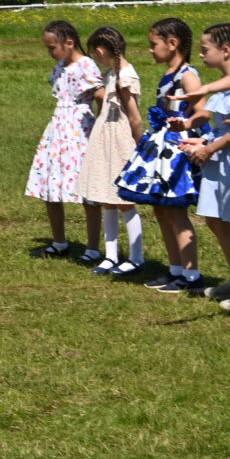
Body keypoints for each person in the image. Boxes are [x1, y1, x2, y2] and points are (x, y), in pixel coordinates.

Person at [116, 17, 205, 295]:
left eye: (153, 45)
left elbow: (201, 109)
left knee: (177, 213)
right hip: (161, 151)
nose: (150, 50)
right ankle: (175, 268)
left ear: (172, 43)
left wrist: (188, 130)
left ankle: (192, 273)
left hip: (176, 152)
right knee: (162, 210)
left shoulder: (187, 74)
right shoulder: (169, 74)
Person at [176, 23, 230, 307]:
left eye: (204, 49)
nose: (200, 54)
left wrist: (209, 147)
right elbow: (219, 124)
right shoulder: (224, 87)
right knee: (218, 219)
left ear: (225, 51)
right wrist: (200, 139)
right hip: (222, 158)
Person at [25, 20, 102, 260]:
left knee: (87, 190)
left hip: (79, 129)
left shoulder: (86, 65)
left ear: (69, 43)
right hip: (58, 130)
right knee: (50, 184)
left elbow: (100, 94)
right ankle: (59, 242)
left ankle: (92, 247)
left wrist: (101, 125)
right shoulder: (61, 66)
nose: (50, 52)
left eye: (52, 47)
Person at [81, 27, 146, 279]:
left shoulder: (126, 76)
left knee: (124, 201)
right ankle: (111, 255)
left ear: (100, 50)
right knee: (107, 197)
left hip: (121, 141)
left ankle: (136, 256)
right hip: (106, 139)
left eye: (95, 55)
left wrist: (140, 147)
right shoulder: (112, 74)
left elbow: (135, 117)